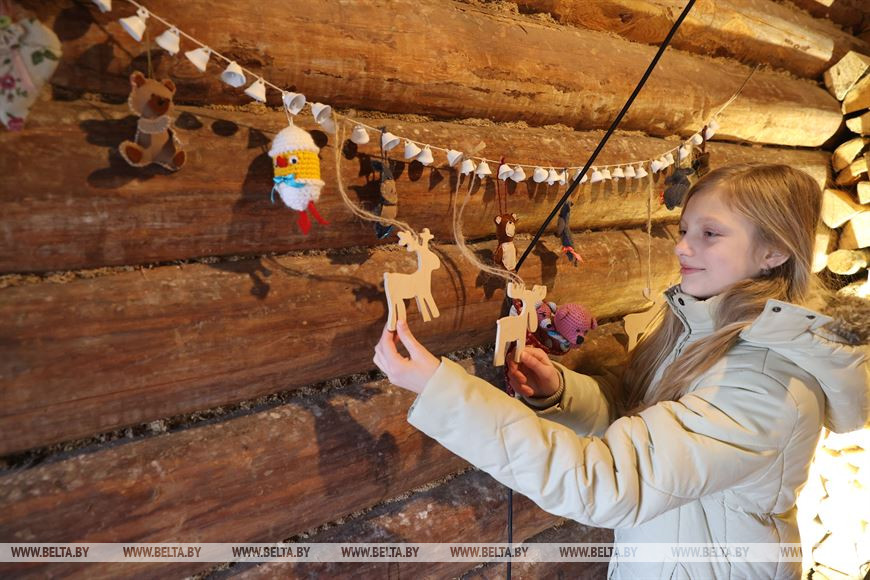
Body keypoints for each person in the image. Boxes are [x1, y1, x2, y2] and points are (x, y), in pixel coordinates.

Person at [373, 163, 870, 579]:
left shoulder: (764, 382)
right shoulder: (701, 328)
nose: (683, 247)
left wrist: (441, 392)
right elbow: (641, 424)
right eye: (684, 230)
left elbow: (606, 483)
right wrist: (562, 393)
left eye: (710, 233)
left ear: (774, 251)